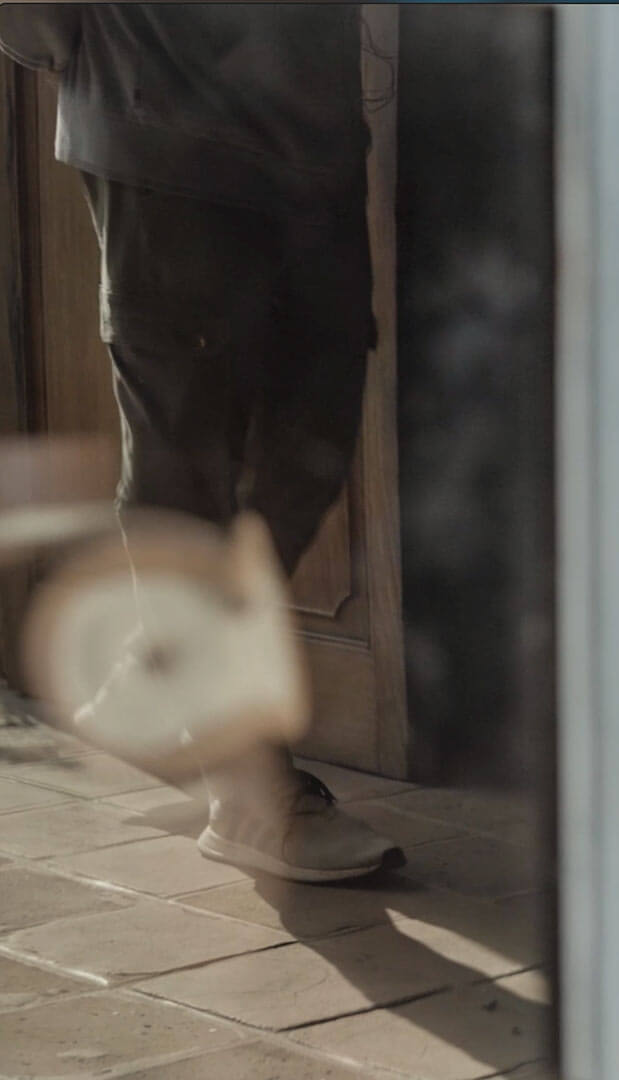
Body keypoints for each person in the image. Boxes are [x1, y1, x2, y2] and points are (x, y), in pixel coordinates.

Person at [0, 5, 400, 881]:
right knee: (186, 444)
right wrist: (102, 53)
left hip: (311, 134)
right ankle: (245, 785)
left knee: (318, 426)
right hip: (161, 125)